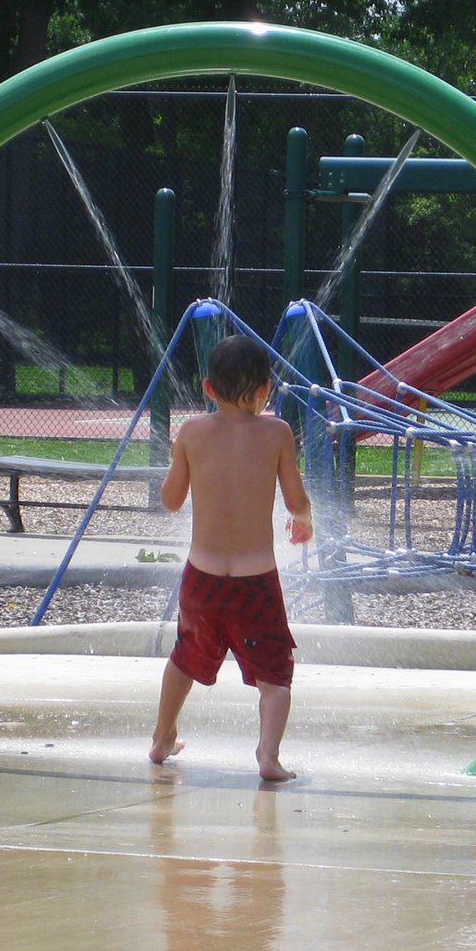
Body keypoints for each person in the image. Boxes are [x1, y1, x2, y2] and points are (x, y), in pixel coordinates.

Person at [149, 334, 313, 781]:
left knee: (185, 657)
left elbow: (170, 500)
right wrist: (305, 520)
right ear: (266, 388)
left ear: (207, 388)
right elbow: (296, 498)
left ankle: (162, 738)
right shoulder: (277, 432)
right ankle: (268, 755)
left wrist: (179, 459)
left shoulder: (191, 432)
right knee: (275, 675)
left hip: (201, 579)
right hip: (255, 580)